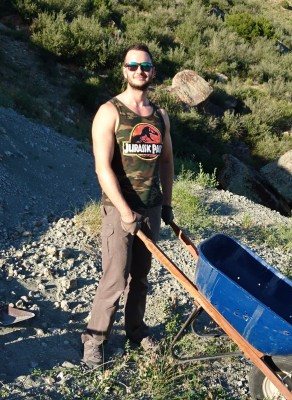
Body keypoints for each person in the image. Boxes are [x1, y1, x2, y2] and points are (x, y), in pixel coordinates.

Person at [82, 43, 174, 368]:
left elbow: (166, 162)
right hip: (118, 209)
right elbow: (102, 168)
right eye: (133, 65)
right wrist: (123, 211)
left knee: (141, 277)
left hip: (150, 208)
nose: (139, 71)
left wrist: (167, 205)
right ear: (124, 70)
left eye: (145, 66)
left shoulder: (160, 116)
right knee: (115, 277)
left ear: (153, 72)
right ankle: (94, 340)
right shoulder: (110, 111)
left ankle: (135, 330)